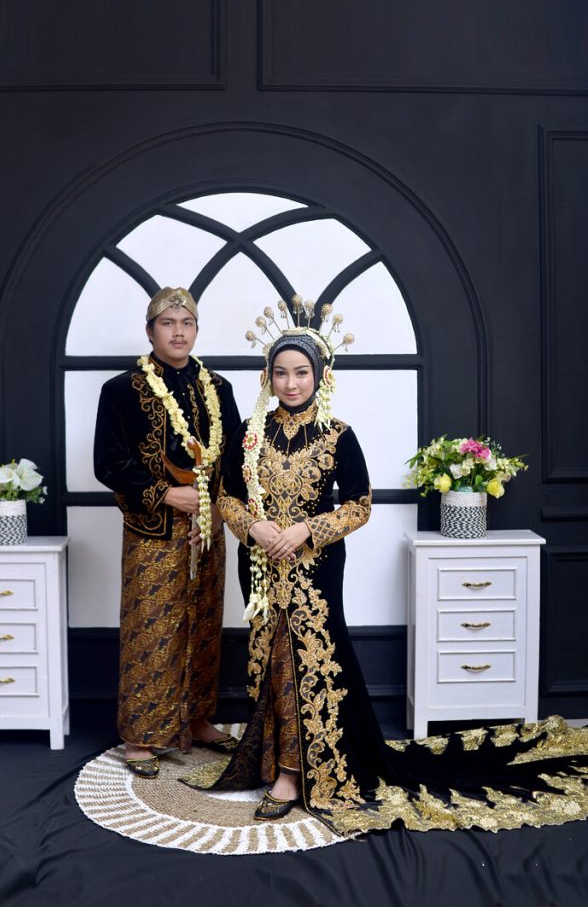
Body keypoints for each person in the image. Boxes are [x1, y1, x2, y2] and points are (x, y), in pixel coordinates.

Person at [186, 297, 588, 836]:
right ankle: (273, 757)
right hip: (259, 567)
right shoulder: (248, 435)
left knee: (305, 659)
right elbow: (226, 497)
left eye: (301, 372)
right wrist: (253, 527)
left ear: (320, 375)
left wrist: (307, 530)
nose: (291, 383)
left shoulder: (338, 435)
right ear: (267, 376)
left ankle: (292, 773)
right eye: (281, 373)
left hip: (315, 568)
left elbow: (359, 504)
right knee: (268, 656)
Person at [94, 286, 241, 778]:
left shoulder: (218, 387)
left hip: (206, 528)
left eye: (187, 323)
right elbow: (108, 463)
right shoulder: (122, 390)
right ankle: (140, 735)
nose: (179, 332)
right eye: (168, 323)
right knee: (152, 626)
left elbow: (233, 460)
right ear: (150, 331)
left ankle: (196, 719)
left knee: (204, 622)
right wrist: (165, 494)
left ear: (196, 330)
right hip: (152, 530)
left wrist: (216, 512)